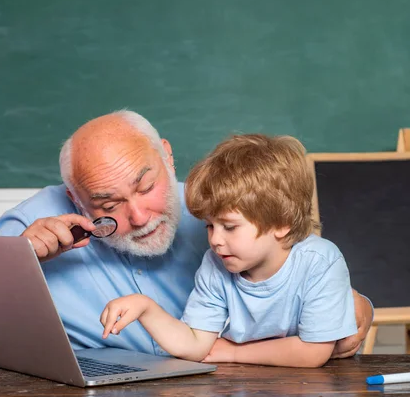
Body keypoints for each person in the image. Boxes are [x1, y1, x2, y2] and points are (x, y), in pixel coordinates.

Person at [0, 110, 373, 360]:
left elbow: (296, 275)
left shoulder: (209, 206)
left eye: (146, 187)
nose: (140, 215)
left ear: (167, 155)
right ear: (76, 198)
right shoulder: (25, 231)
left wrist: (356, 307)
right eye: (108, 205)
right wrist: (13, 265)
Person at [101, 134, 357, 367]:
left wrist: (234, 353)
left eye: (230, 227)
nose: (215, 240)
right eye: (209, 226)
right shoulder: (215, 264)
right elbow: (196, 344)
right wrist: (146, 308)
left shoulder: (320, 261)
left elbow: (312, 352)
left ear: (281, 223)